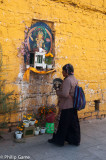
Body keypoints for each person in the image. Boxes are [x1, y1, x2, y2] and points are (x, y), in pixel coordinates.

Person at [48, 63, 81, 147]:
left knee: (61, 124)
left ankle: (58, 141)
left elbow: (65, 94)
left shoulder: (67, 80)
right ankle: (74, 140)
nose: (62, 72)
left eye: (63, 71)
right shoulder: (74, 79)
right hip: (73, 105)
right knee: (72, 124)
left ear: (66, 71)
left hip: (66, 106)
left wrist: (57, 90)